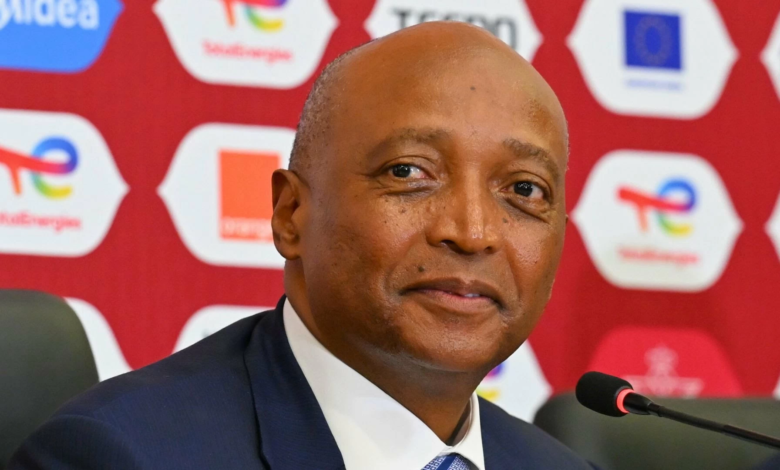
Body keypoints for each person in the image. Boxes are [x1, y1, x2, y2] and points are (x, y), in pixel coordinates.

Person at [10, 21, 595, 469]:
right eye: (408, 173)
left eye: (525, 189)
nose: (472, 232)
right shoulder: (119, 456)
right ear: (290, 215)